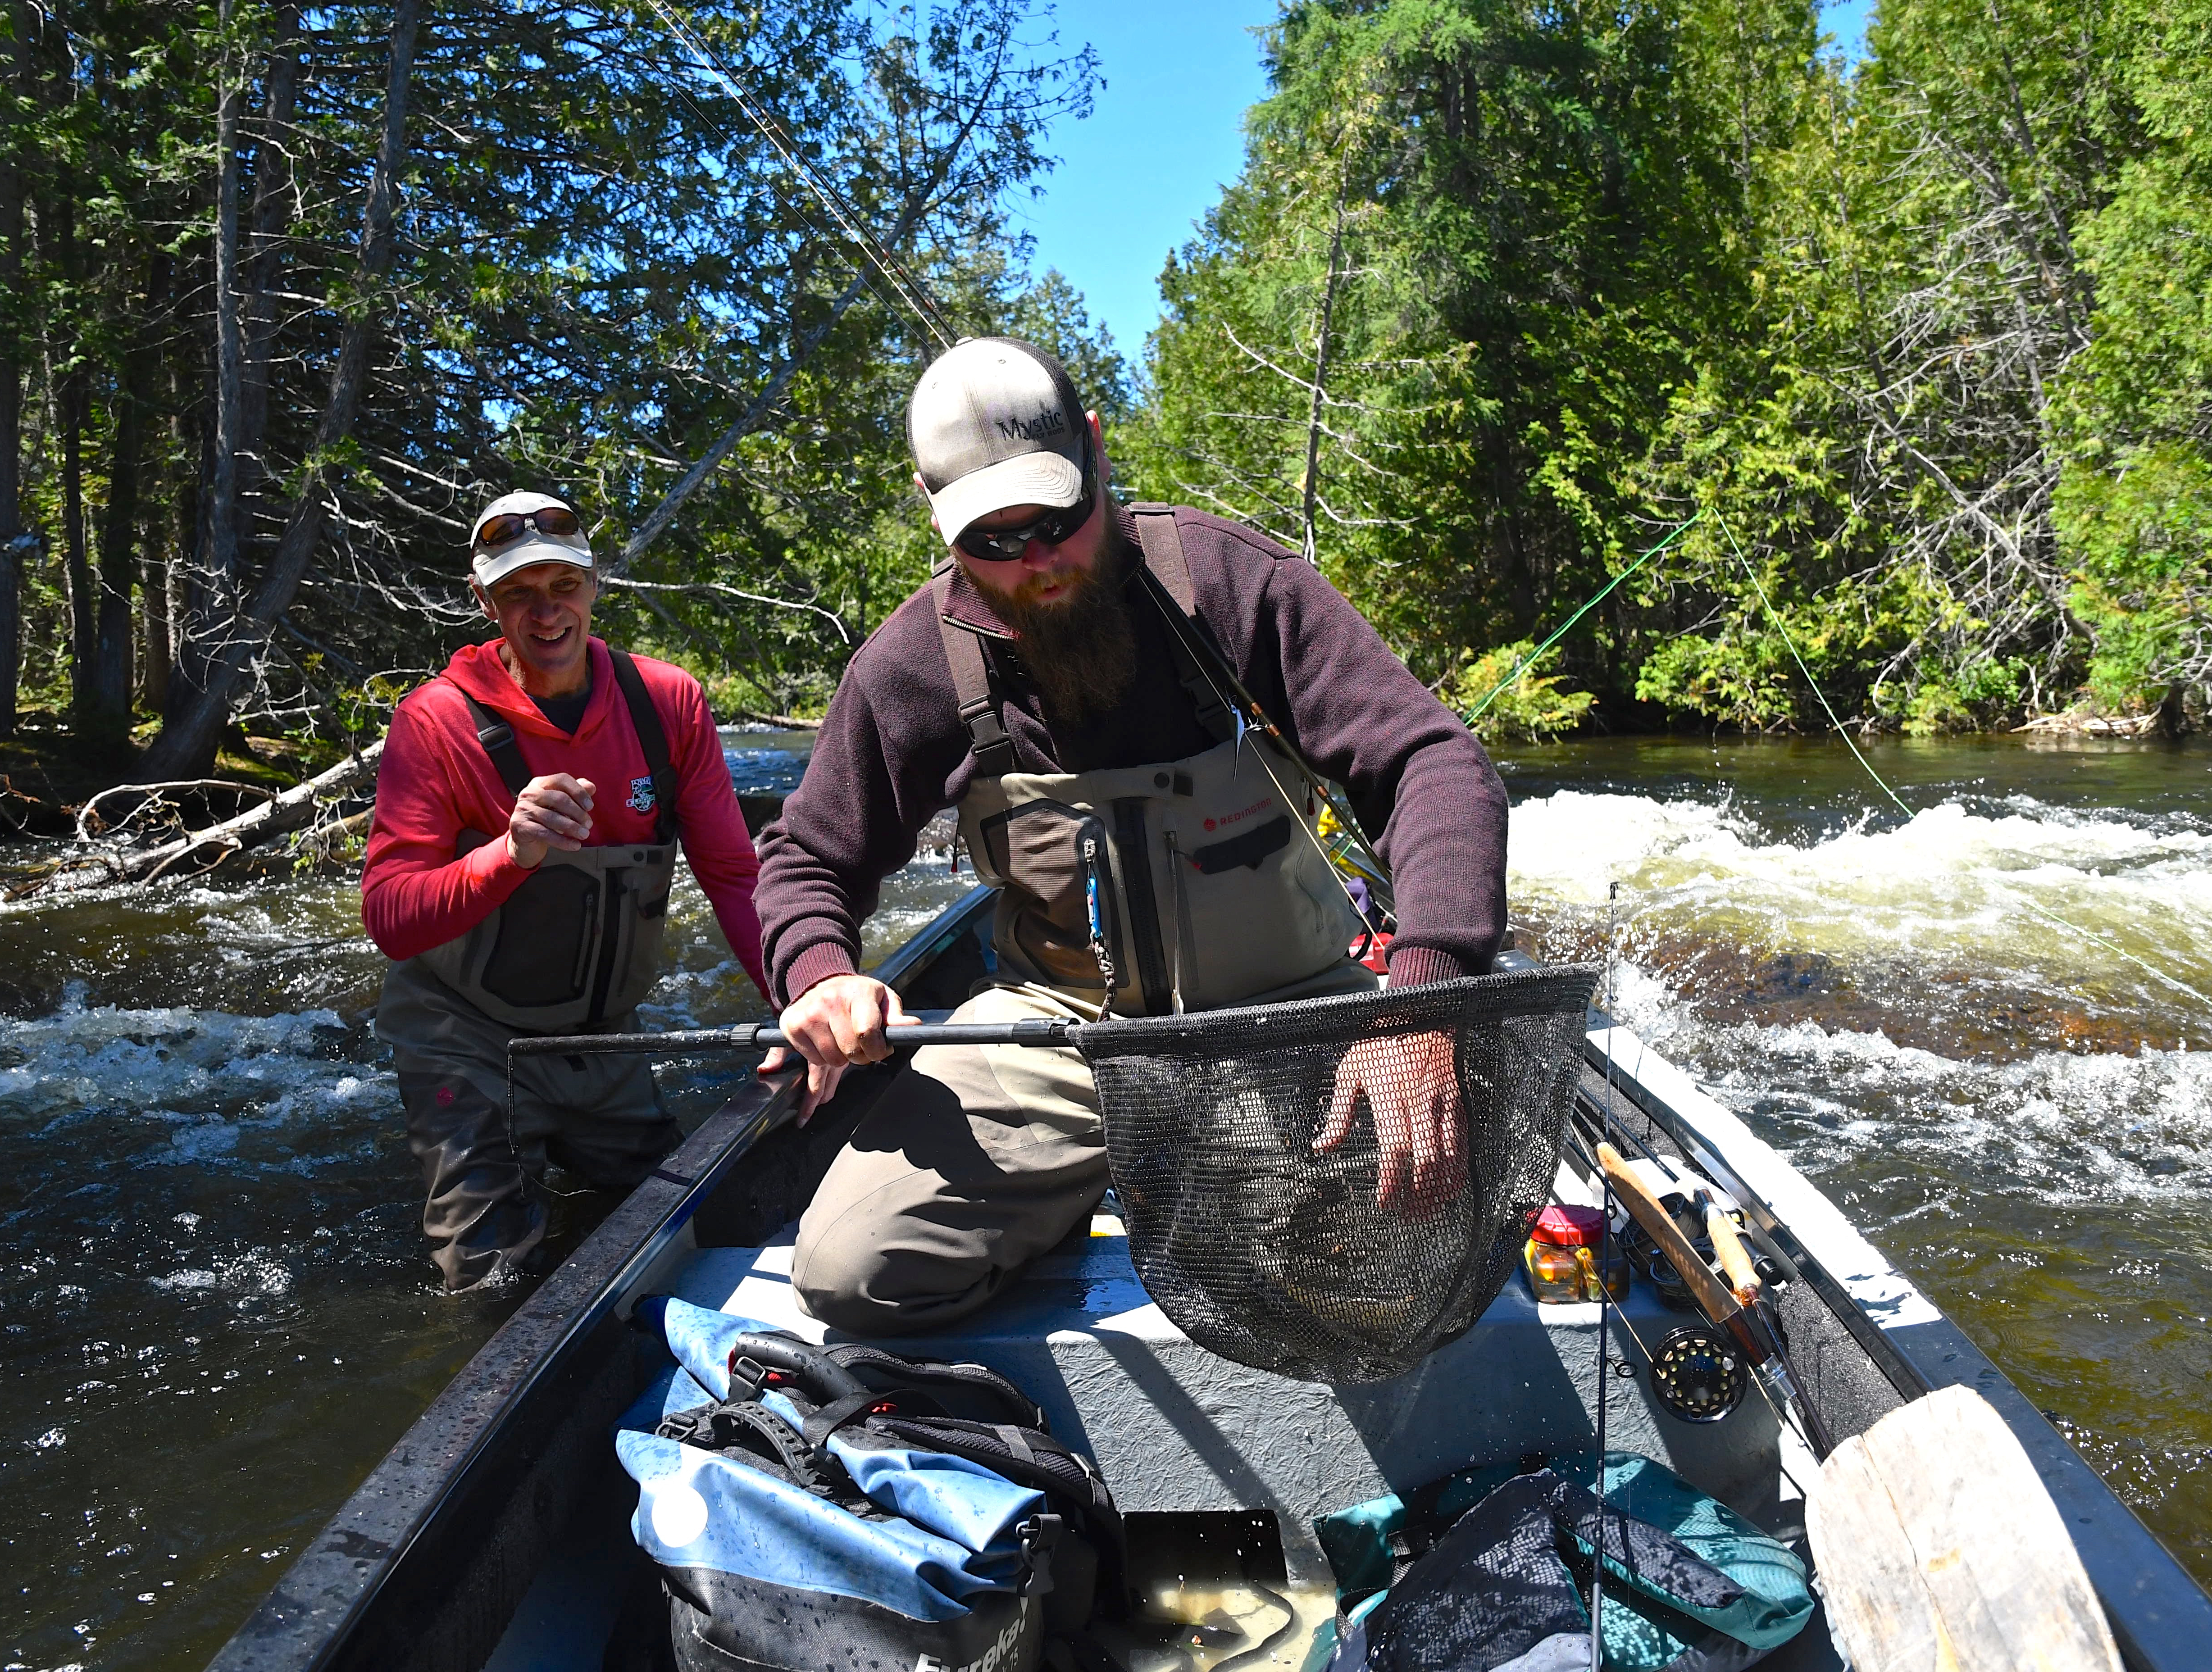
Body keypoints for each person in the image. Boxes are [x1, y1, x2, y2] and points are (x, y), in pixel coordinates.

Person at [754, 336, 1511, 1334]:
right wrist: (821, 972)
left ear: (1098, 451)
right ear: (934, 512)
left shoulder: (1231, 584)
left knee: (1394, 1264)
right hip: (1059, 1031)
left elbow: (1433, 761)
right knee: (851, 1270)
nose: (1037, 563)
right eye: (992, 539)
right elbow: (810, 856)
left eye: (1059, 520)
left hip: (1291, 1014)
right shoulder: (911, 668)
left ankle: (1199, 1175)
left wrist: (1422, 997)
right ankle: (1101, 1190)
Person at [362, 491, 769, 1289]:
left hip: (600, 1036)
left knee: (682, 1238)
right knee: (490, 1282)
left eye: (563, 585)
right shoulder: (434, 722)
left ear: (594, 585)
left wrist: (797, 998)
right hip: (466, 1036)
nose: (545, 612)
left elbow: (732, 873)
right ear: (485, 604)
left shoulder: (666, 701)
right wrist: (510, 854)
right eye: (517, 592)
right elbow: (391, 919)